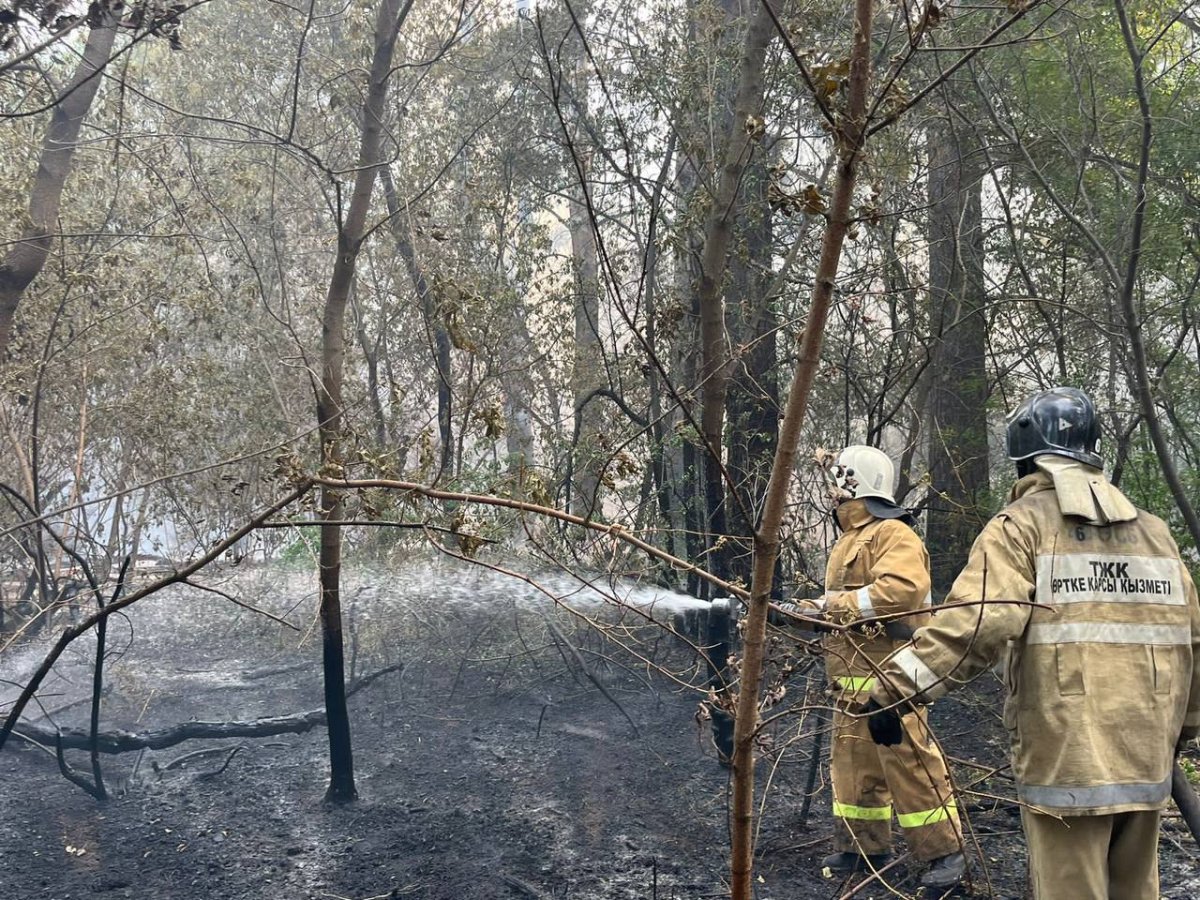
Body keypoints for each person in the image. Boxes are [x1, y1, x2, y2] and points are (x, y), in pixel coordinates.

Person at [864, 386, 1200, 899]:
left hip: (1070, 761)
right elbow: (1192, 640)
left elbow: (977, 623)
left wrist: (894, 690)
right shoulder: (1156, 535)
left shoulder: (1022, 527)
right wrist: (1185, 726)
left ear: (1026, 461)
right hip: (1147, 756)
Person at [784, 444, 965, 889]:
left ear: (854, 482)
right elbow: (841, 603)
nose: (831, 490)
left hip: (891, 682)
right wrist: (799, 610)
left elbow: (898, 593)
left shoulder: (893, 535)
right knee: (854, 772)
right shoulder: (851, 538)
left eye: (837, 481)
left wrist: (830, 607)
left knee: (909, 766)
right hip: (848, 685)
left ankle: (946, 854)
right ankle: (862, 849)